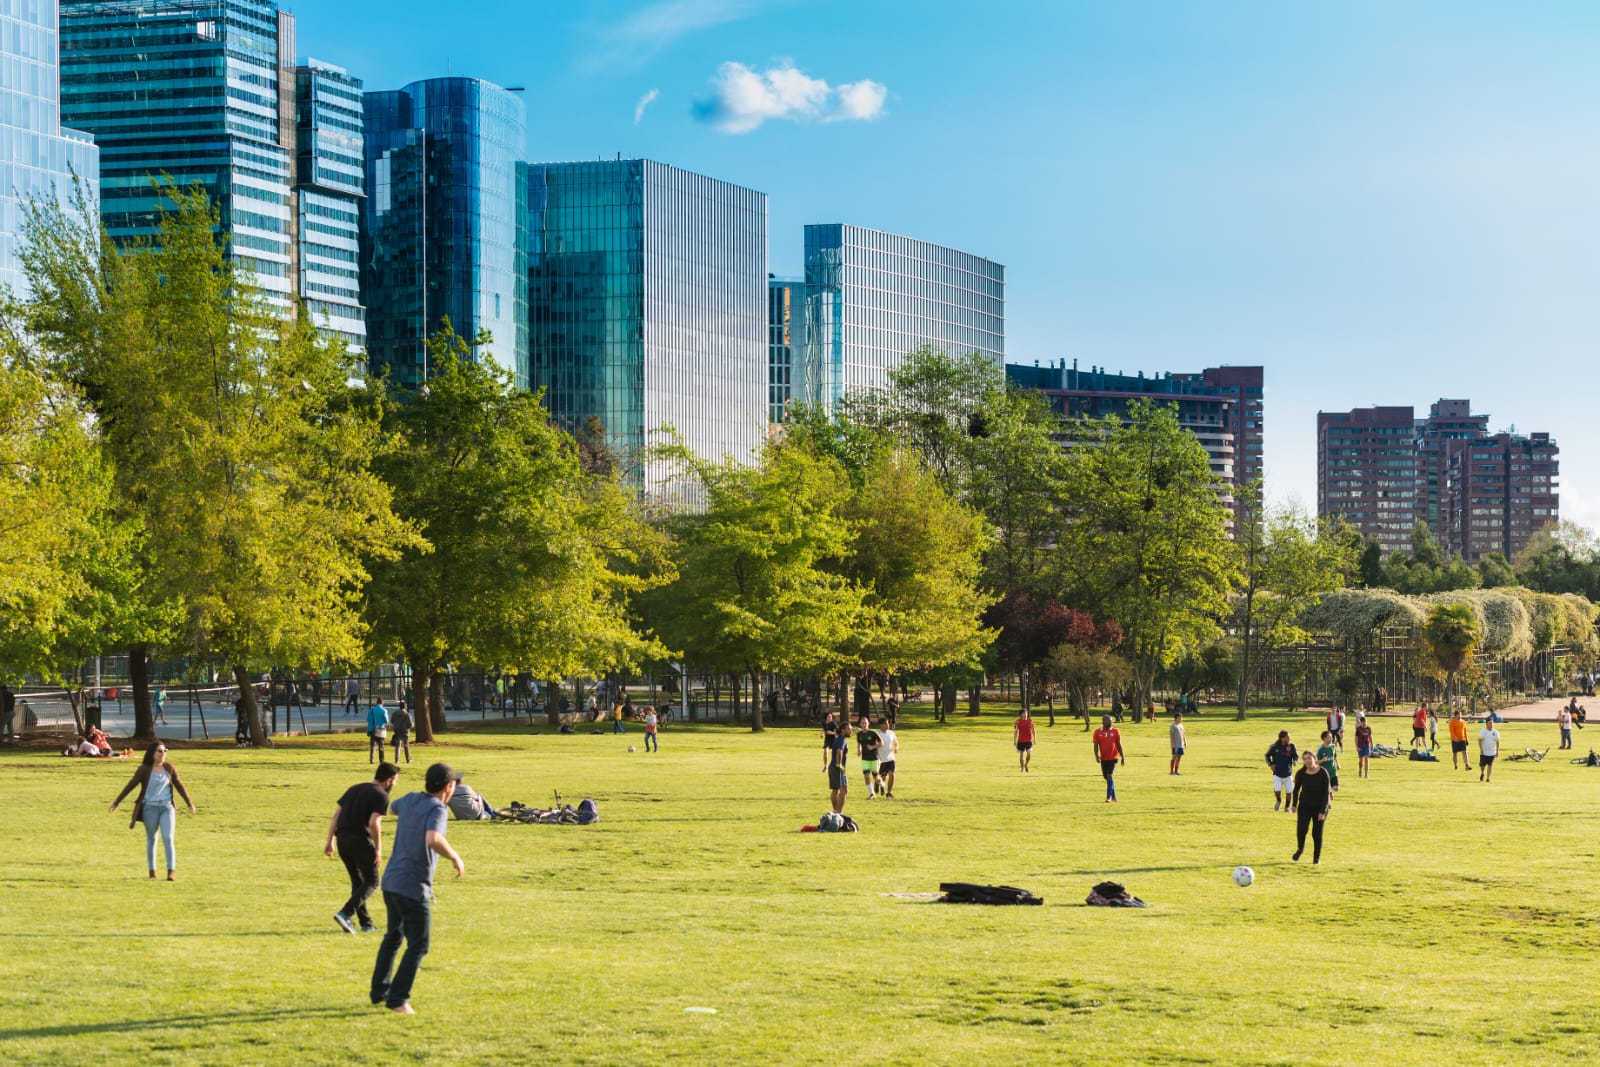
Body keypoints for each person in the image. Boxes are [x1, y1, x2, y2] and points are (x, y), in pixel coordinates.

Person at [371, 762, 465, 1015]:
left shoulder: (411, 798)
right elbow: (433, 839)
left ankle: (380, 991)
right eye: (455, 784)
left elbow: (390, 807)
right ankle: (398, 999)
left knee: (393, 937)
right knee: (419, 944)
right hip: (412, 885)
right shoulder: (438, 809)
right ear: (448, 787)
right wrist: (455, 857)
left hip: (391, 881)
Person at [326, 762, 399, 934]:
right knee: (372, 881)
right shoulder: (381, 795)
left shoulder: (354, 788)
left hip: (342, 839)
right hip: (359, 840)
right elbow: (374, 822)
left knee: (358, 883)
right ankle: (345, 913)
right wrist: (378, 849)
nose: (395, 784)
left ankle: (366, 924)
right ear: (389, 780)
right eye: (395, 780)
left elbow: (336, 814)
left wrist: (330, 841)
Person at [109, 742, 196, 880]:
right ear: (152, 753)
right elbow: (131, 785)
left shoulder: (170, 768)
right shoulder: (144, 769)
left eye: (165, 751)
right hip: (150, 808)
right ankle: (152, 871)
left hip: (167, 808)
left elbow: (179, 785)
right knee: (152, 839)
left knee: (168, 838)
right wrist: (116, 802)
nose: (163, 754)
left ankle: (171, 871)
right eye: (160, 751)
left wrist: (189, 803)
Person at [1290, 750, 1332, 864]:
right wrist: (1294, 805)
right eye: (1305, 759)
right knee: (1302, 829)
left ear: (1314, 758)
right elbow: (1296, 790)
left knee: (1316, 833)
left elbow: (1326, 793)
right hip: (1305, 806)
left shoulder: (1323, 773)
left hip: (1320, 806)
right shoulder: (1301, 773)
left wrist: (1322, 811)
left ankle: (1316, 858)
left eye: (1309, 758)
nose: (1307, 761)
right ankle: (1300, 849)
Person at [1092, 715, 1124, 803]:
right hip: (1104, 758)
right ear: (1103, 722)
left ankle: (1108, 797)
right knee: (1107, 778)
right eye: (1108, 721)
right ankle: (1114, 797)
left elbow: (1118, 744)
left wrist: (1122, 757)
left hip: (1113, 758)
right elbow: (1095, 745)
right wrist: (1096, 755)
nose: (1110, 723)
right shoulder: (1097, 732)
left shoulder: (1115, 731)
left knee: (1110, 775)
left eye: (1111, 721)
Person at [1266, 731, 1298, 811]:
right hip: (1277, 774)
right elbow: (1267, 756)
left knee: (1289, 792)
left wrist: (1295, 761)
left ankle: (1287, 807)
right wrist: (1271, 764)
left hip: (1288, 774)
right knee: (1277, 790)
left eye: (1289, 737)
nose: (1289, 738)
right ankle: (1279, 800)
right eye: (1287, 737)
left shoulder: (1291, 746)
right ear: (1282, 738)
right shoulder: (1275, 747)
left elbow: (1295, 756)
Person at [826, 719, 849, 813]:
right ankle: (839, 811)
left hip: (832, 766)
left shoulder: (838, 738)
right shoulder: (842, 739)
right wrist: (839, 764)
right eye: (849, 729)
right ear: (843, 730)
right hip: (837, 767)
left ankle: (836, 811)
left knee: (836, 790)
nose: (850, 731)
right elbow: (839, 751)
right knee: (844, 790)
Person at [857, 715, 881, 798]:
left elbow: (881, 743)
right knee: (866, 776)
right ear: (860, 724)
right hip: (865, 758)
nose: (864, 725)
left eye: (865, 723)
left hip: (874, 757)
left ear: (868, 724)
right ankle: (872, 793)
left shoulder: (873, 733)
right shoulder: (859, 734)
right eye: (862, 723)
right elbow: (859, 743)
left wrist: (872, 747)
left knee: (876, 777)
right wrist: (859, 750)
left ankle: (881, 784)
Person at [877, 716, 898, 798]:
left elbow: (896, 743)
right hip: (881, 759)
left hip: (891, 758)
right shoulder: (877, 734)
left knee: (892, 774)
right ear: (881, 725)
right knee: (883, 778)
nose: (887, 725)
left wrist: (896, 748)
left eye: (888, 723)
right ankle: (878, 783)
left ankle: (889, 792)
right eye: (885, 723)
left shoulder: (891, 733)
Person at [389, 699, 413, 765]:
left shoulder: (395, 713)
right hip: (405, 732)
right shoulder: (407, 714)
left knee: (397, 746)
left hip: (397, 731)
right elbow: (410, 724)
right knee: (406, 746)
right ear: (405, 707)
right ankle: (408, 759)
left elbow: (392, 721)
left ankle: (397, 760)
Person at [366, 699, 389, 764]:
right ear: (382, 703)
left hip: (373, 729)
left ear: (376, 703)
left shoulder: (371, 710)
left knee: (373, 745)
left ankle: (371, 759)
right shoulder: (384, 710)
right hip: (381, 730)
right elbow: (386, 721)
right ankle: (381, 760)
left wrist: (369, 729)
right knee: (381, 746)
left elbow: (368, 720)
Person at [1013, 708, 1036, 773]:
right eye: (1024, 713)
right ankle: (1022, 768)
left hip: (1029, 740)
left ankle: (1026, 765)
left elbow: (1033, 730)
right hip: (1020, 741)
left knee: (1029, 753)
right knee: (1021, 756)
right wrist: (1014, 741)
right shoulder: (1018, 721)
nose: (1025, 714)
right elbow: (1016, 731)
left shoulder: (1030, 721)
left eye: (1026, 713)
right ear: (1021, 715)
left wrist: (1035, 739)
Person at [1479, 717, 1501, 782]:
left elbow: (1497, 742)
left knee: (1490, 764)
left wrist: (1497, 751)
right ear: (1486, 724)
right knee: (1482, 765)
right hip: (1484, 752)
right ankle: (1482, 773)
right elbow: (1480, 741)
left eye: (1492, 723)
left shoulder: (1495, 732)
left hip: (1492, 752)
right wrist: (1481, 749)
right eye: (1489, 723)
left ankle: (1488, 778)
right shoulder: (1483, 731)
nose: (1491, 724)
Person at [1354, 712, 1373, 779]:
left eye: (1366, 721)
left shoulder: (1369, 728)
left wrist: (1372, 745)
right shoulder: (1358, 729)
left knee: (1366, 759)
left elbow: (1370, 737)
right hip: (1360, 746)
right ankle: (1360, 771)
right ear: (1361, 722)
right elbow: (1356, 738)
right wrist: (1357, 747)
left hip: (1367, 745)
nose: (1365, 723)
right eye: (1363, 722)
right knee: (1361, 760)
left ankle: (1366, 774)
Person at [1169, 710, 1186, 775]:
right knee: (1174, 757)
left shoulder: (1181, 725)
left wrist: (1185, 742)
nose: (1181, 719)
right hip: (1176, 744)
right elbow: (1171, 735)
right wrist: (1173, 744)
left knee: (1179, 757)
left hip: (1181, 744)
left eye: (1181, 717)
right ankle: (1171, 771)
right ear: (1176, 718)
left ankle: (1176, 771)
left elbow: (1183, 734)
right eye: (1179, 717)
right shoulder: (1173, 726)